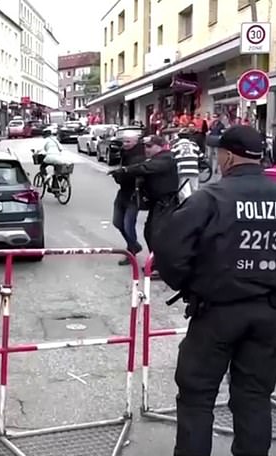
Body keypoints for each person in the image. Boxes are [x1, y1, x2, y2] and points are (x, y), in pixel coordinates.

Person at [153, 125, 276, 456]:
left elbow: (168, 251)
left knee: (196, 396)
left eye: (219, 153)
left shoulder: (210, 198)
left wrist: (190, 285)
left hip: (217, 312)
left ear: (229, 156)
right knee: (254, 395)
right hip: (269, 314)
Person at [109, 135, 178, 255]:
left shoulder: (165, 158)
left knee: (154, 233)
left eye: (150, 146)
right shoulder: (132, 155)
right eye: (145, 146)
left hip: (164, 202)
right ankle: (155, 263)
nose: (147, 149)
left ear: (160, 146)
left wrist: (125, 170)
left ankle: (158, 265)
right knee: (149, 232)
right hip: (151, 201)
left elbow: (146, 168)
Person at [110, 131, 146, 265]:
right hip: (123, 193)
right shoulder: (125, 153)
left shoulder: (139, 156)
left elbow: (131, 174)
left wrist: (119, 175)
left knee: (128, 225)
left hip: (133, 195)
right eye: (124, 141)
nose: (125, 144)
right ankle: (134, 245)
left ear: (135, 142)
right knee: (117, 222)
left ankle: (131, 251)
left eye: (128, 142)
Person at [171, 137, 200, 203]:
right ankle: (194, 204)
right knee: (194, 190)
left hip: (182, 170)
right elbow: (201, 155)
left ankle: (186, 206)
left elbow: (172, 157)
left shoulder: (176, 146)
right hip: (194, 170)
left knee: (184, 190)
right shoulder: (194, 145)